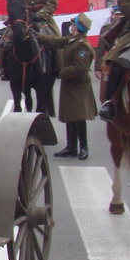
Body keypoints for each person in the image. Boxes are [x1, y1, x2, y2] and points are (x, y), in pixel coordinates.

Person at [37, 14, 96, 159]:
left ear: (78, 28)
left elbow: (81, 68)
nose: (72, 26)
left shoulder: (82, 45)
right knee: (70, 116)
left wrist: (61, 72)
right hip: (70, 85)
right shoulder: (71, 39)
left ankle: (83, 147)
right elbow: (56, 41)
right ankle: (71, 147)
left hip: (78, 86)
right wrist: (37, 35)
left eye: (74, 25)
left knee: (79, 117)